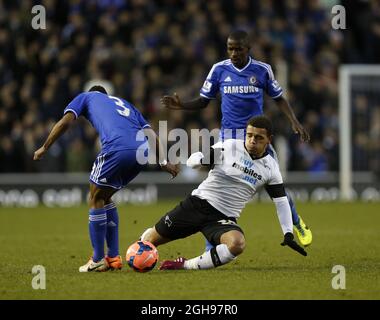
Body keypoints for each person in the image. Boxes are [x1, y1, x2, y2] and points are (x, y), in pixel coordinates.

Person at [161, 29, 312, 248]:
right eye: (230, 48)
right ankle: (211, 245)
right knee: (214, 190)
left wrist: (294, 121)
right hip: (228, 140)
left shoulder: (262, 70)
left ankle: (296, 222)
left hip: (256, 138)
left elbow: (279, 98)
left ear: (248, 49)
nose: (233, 52)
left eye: (238, 48)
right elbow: (204, 100)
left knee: (275, 187)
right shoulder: (219, 69)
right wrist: (182, 105)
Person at [33, 85, 179, 272]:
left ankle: (97, 259)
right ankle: (113, 258)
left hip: (118, 148)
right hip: (141, 154)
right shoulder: (125, 104)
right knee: (105, 197)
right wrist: (163, 161)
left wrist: (45, 147)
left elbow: (64, 123)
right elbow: (151, 134)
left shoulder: (86, 97)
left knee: (94, 198)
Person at [140, 116, 307, 271]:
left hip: (222, 218)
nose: (252, 140)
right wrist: (200, 160)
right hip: (197, 205)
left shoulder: (271, 167)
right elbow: (192, 162)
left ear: (269, 140)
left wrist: (288, 232)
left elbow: (281, 201)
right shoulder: (229, 147)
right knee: (150, 240)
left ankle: (184, 265)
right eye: (249, 135)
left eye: (259, 138)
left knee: (237, 244)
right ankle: (134, 257)